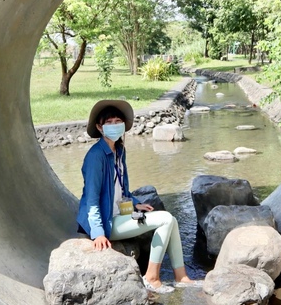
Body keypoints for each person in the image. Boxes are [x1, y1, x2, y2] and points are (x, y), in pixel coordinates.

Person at [76, 100, 196, 293]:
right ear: (100, 127)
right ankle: (151, 277)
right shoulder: (95, 156)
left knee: (171, 219)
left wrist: (135, 204)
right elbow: (91, 200)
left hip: (120, 215)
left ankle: (181, 276)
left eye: (118, 121)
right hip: (106, 222)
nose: (115, 126)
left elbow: (121, 190)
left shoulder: (119, 150)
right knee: (165, 219)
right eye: (110, 122)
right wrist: (97, 233)